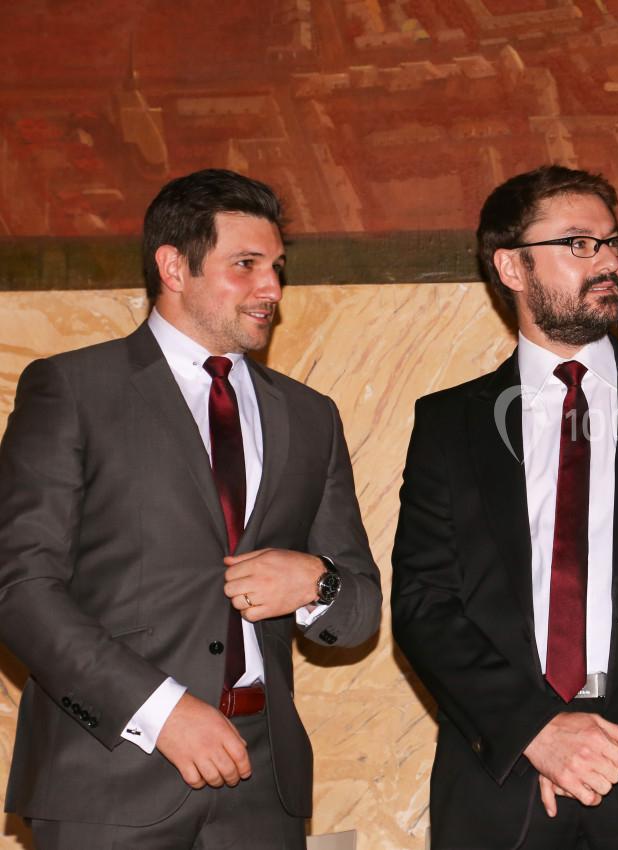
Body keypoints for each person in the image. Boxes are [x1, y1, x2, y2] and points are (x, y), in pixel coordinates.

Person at [0, 169, 382, 849]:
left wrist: (315, 583)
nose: (272, 289)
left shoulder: (310, 415)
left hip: (264, 785)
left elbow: (361, 607)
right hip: (109, 773)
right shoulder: (73, 389)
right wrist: (164, 712)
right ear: (173, 266)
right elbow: (20, 590)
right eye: (246, 265)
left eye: (277, 268)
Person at [392, 165, 618, 850]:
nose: (608, 261)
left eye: (613, 243)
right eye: (579, 243)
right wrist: (537, 730)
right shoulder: (450, 424)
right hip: (500, 787)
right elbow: (425, 604)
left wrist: (605, 744)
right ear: (510, 266)